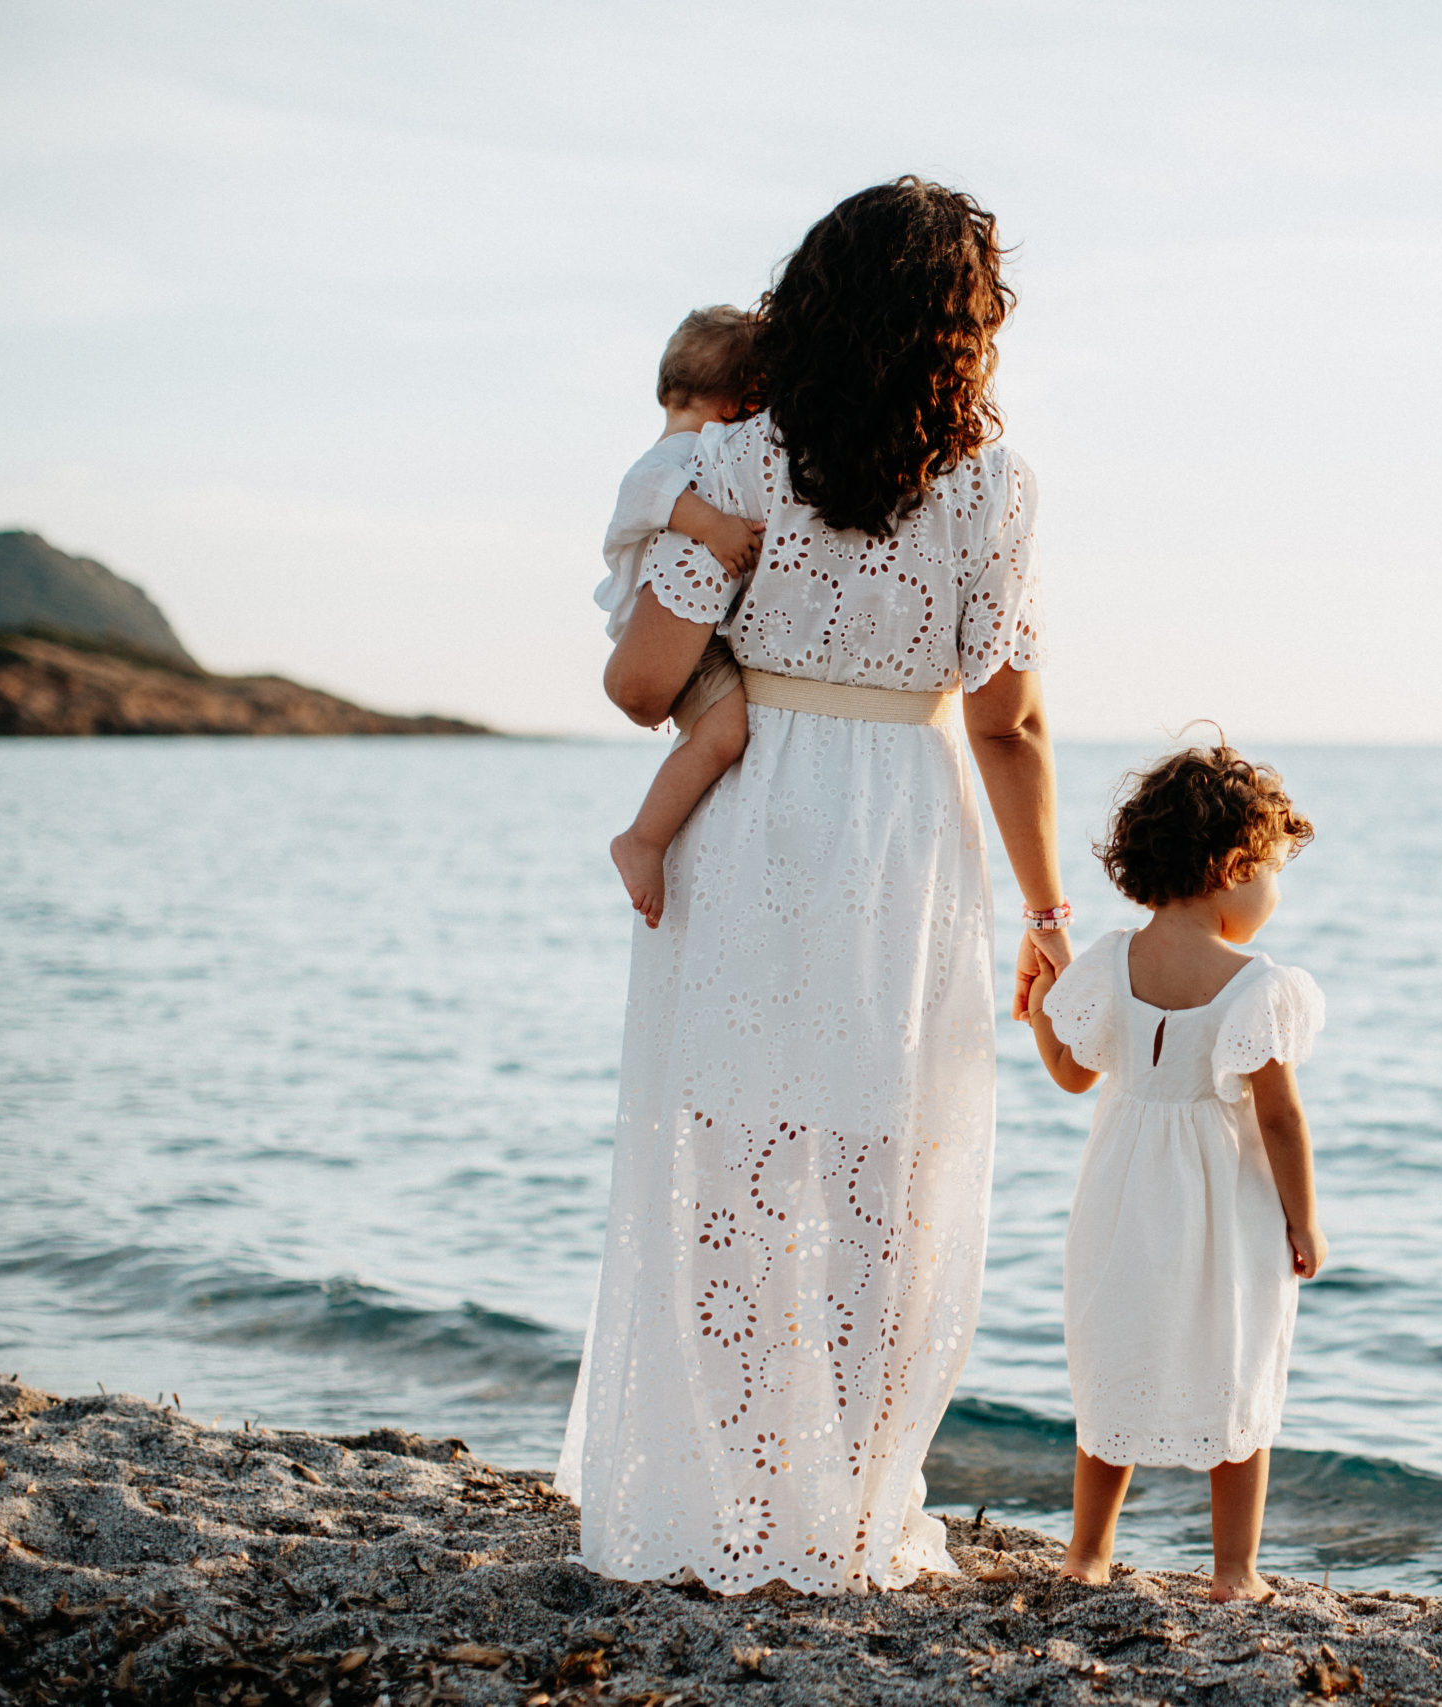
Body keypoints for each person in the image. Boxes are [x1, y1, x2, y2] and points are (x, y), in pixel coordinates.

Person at [559, 178, 1072, 1596]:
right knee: (883, 1172)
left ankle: (722, 1497)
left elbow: (642, 683)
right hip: (911, 825)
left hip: (752, 808)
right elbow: (1007, 723)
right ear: (965, 330)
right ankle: (843, 1509)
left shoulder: (729, 466)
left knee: (728, 1151)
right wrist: (1047, 911)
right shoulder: (996, 485)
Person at [1022, 741, 1326, 1603]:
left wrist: (1047, 1003)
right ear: (1232, 866)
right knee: (1237, 1363)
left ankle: (1088, 1552)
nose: (1273, 890)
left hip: (1120, 1202)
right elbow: (1279, 1116)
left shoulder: (1111, 963)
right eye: (1270, 869)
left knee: (1112, 1360)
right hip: (1224, 1213)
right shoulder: (1255, 984)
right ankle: (1235, 1571)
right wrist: (1304, 1219)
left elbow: (1074, 1072)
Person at [593, 306, 769, 928]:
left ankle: (647, 835)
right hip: (668, 629)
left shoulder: (682, 447)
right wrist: (716, 526)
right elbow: (650, 499)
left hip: (687, 628)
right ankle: (643, 837)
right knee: (725, 734)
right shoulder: (676, 456)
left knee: (724, 733)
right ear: (738, 406)